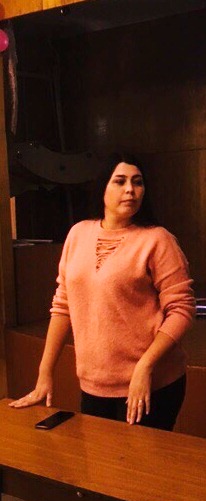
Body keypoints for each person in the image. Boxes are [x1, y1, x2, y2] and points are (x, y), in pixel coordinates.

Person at [10, 152, 195, 432]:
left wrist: (145, 366)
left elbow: (182, 310)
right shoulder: (78, 234)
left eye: (137, 182)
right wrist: (45, 374)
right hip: (94, 383)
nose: (130, 190)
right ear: (102, 188)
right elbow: (63, 305)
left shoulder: (158, 239)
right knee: (99, 460)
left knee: (137, 461)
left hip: (150, 384)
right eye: (120, 181)